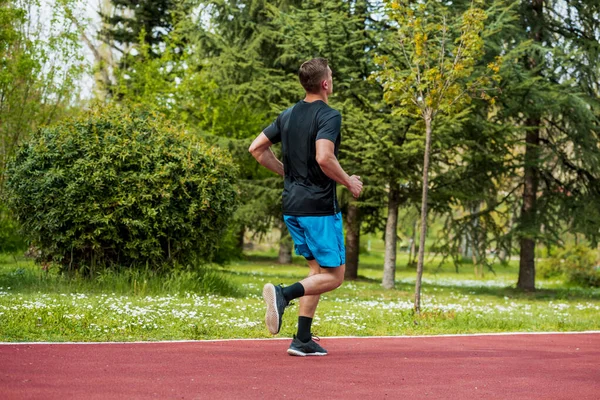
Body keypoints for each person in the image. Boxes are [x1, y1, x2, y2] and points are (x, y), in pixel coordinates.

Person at [248, 57, 363, 356]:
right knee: (335, 276)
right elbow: (324, 157)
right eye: (332, 75)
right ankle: (283, 294)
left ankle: (302, 339)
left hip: (292, 206)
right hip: (319, 209)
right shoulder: (329, 115)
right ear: (325, 83)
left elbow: (256, 149)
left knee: (316, 270)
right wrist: (349, 182)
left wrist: (289, 172)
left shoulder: (286, 115)